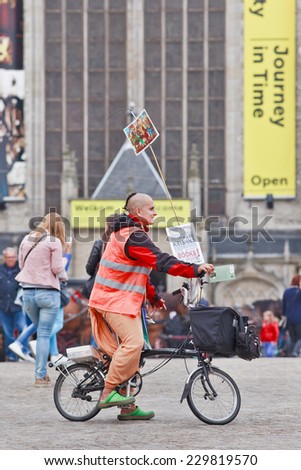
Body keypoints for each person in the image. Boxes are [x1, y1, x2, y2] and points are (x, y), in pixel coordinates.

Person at [89, 192, 215, 421]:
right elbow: (162, 261)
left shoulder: (129, 234)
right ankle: (107, 393)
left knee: (137, 352)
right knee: (134, 344)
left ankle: (128, 407)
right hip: (113, 301)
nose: (156, 212)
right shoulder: (133, 236)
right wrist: (194, 268)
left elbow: (138, 273)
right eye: (151, 208)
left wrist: (154, 297)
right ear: (138, 212)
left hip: (121, 301)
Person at [16, 212, 66, 386]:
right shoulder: (55, 241)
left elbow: (21, 265)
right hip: (48, 293)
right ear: (59, 227)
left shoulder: (26, 240)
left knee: (40, 332)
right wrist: (63, 276)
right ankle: (40, 375)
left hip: (27, 293)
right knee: (44, 334)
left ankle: (41, 374)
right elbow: (57, 268)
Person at [9, 243, 73, 365]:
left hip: (30, 292)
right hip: (51, 292)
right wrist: (68, 253)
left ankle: (53, 354)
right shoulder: (51, 250)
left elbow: (22, 266)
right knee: (56, 323)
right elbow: (61, 270)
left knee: (41, 323)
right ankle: (26, 342)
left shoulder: (31, 251)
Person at [0, 247, 31, 361]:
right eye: (8, 257)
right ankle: (12, 356)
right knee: (8, 332)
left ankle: (23, 352)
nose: (11, 259)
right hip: (3, 306)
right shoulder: (0, 269)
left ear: (16, 257)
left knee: (23, 329)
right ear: (4, 258)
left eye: (13, 257)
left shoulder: (21, 269)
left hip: (19, 306)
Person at [282, 274, 301, 356]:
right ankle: (295, 352)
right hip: (299, 318)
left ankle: (290, 352)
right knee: (300, 337)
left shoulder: (287, 291)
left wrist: (284, 315)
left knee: (293, 337)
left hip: (289, 318)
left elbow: (283, 305)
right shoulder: (299, 292)